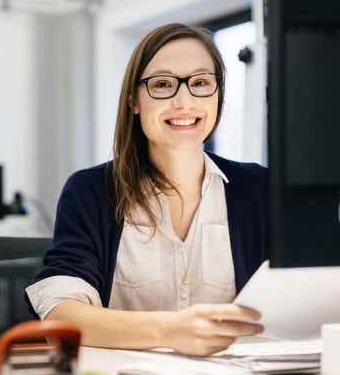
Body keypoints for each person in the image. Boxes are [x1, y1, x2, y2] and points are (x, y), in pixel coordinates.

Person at [26, 23, 267, 356]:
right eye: (163, 85)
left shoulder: (260, 189)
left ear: (218, 94)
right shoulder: (91, 191)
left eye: (200, 83)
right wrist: (169, 331)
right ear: (134, 101)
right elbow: (60, 313)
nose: (184, 101)